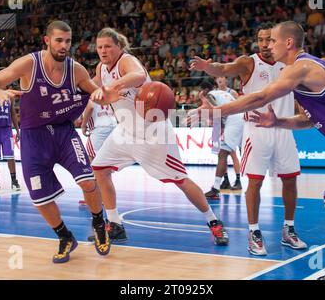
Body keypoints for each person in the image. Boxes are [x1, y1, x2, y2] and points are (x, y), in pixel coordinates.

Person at [193, 20, 325, 280]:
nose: (268, 45)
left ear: (288, 43)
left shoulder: (301, 68)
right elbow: (308, 119)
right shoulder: (303, 71)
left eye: (273, 40)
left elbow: (261, 97)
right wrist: (278, 122)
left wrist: (217, 111)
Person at [0, 20, 110, 263]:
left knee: (88, 180)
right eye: (59, 40)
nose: (64, 46)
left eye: (68, 41)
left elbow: (98, 95)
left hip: (64, 133)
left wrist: (108, 94)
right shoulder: (29, 63)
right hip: (34, 137)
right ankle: (65, 237)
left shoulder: (77, 70)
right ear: (47, 41)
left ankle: (98, 222)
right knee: (40, 197)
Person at [90, 27, 229, 246]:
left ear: (119, 47)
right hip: (125, 132)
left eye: (108, 46)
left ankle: (214, 222)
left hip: (152, 133)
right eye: (99, 47)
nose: (103, 51)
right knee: (99, 169)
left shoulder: (127, 61)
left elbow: (137, 75)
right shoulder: (101, 67)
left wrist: (112, 86)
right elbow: (94, 88)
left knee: (181, 180)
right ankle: (115, 224)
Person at [200, 80, 243, 198]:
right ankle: (223, 184)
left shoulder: (210, 95)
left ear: (204, 91)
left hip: (234, 120)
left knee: (222, 154)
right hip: (240, 116)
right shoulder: (225, 93)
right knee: (230, 153)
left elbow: (216, 110)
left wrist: (203, 103)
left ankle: (216, 189)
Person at [79, 100, 117, 206]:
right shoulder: (101, 89)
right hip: (112, 125)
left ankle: (95, 198)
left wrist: (83, 124)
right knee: (104, 165)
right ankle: (106, 197)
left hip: (99, 129)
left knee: (92, 163)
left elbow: (90, 107)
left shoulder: (86, 89)